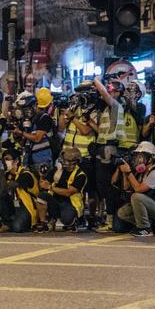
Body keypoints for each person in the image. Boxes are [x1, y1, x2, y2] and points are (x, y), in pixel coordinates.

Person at [58, 83, 98, 227]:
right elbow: (61, 128)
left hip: (85, 156)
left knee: (90, 190)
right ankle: (78, 216)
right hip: (68, 156)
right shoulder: (73, 108)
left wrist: (73, 117)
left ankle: (92, 218)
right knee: (73, 190)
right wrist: (64, 113)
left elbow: (86, 130)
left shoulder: (93, 110)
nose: (79, 98)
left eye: (82, 94)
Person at [115, 142, 155, 237]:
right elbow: (126, 188)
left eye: (141, 157)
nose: (138, 160)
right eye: (138, 156)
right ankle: (152, 224)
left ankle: (145, 228)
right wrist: (125, 173)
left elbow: (138, 189)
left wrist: (129, 172)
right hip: (153, 206)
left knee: (136, 197)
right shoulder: (143, 172)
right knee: (123, 212)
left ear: (151, 158)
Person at [93, 78, 126, 232]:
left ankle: (111, 220)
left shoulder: (116, 106)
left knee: (110, 187)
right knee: (103, 187)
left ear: (118, 93)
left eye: (112, 90)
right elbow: (102, 131)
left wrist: (95, 79)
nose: (109, 92)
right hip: (102, 148)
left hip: (110, 148)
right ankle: (108, 219)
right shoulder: (106, 110)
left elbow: (105, 94)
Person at [37, 147, 87, 232]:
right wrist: (42, 175)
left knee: (66, 220)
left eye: (66, 160)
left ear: (75, 161)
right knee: (42, 196)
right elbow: (42, 185)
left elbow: (69, 192)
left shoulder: (80, 175)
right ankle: (44, 223)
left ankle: (74, 221)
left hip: (70, 203)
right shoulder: (57, 170)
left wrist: (50, 187)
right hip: (56, 200)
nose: (63, 161)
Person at [0, 148, 39, 233]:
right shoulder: (8, 175)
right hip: (15, 206)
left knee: (17, 228)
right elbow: (2, 192)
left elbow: (9, 186)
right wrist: (0, 173)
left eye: (7, 159)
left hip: (27, 207)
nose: (5, 161)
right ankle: (7, 223)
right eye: (3, 159)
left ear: (16, 161)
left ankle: (21, 223)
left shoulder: (25, 174)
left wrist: (1, 171)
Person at [12, 91, 55, 173]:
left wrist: (21, 132)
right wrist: (18, 136)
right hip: (28, 159)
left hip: (42, 160)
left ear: (35, 106)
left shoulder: (44, 118)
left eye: (26, 109)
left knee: (42, 184)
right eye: (22, 109)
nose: (24, 112)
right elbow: (23, 142)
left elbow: (37, 138)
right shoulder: (25, 121)